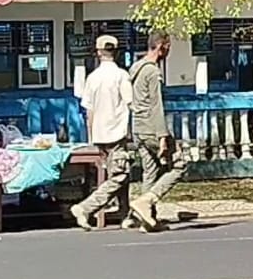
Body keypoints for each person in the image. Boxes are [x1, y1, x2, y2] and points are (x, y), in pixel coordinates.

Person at [70, 35, 155, 232]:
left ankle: (125, 215)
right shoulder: (121, 76)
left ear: (98, 52)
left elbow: (88, 111)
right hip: (117, 133)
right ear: (116, 52)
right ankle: (85, 208)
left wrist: (91, 135)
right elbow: (130, 103)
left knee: (119, 174)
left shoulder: (92, 78)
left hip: (100, 134)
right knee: (119, 175)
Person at [129, 31, 186, 228]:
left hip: (138, 127)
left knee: (150, 171)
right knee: (180, 164)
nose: (168, 52)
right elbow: (156, 104)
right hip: (152, 128)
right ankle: (148, 200)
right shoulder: (152, 71)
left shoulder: (135, 68)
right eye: (168, 47)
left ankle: (148, 220)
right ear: (162, 46)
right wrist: (163, 136)